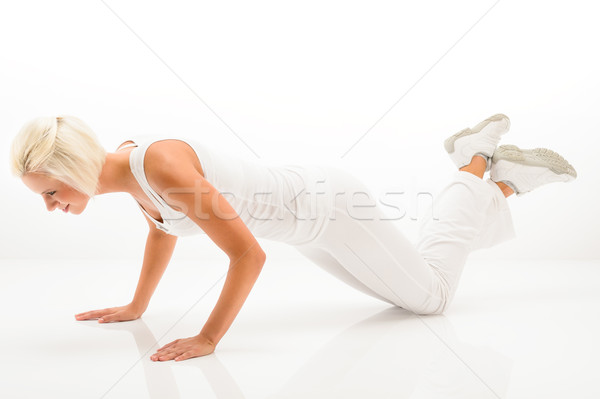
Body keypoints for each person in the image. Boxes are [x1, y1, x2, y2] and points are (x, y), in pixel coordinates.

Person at [9, 114, 577, 362]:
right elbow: (162, 231)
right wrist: (138, 306)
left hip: (328, 211)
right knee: (420, 280)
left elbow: (246, 255)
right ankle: (493, 182)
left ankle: (475, 165)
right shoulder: (128, 168)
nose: (50, 205)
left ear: (75, 167)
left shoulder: (160, 167)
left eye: (50, 191)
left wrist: (208, 339)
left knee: (432, 298)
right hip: (306, 227)